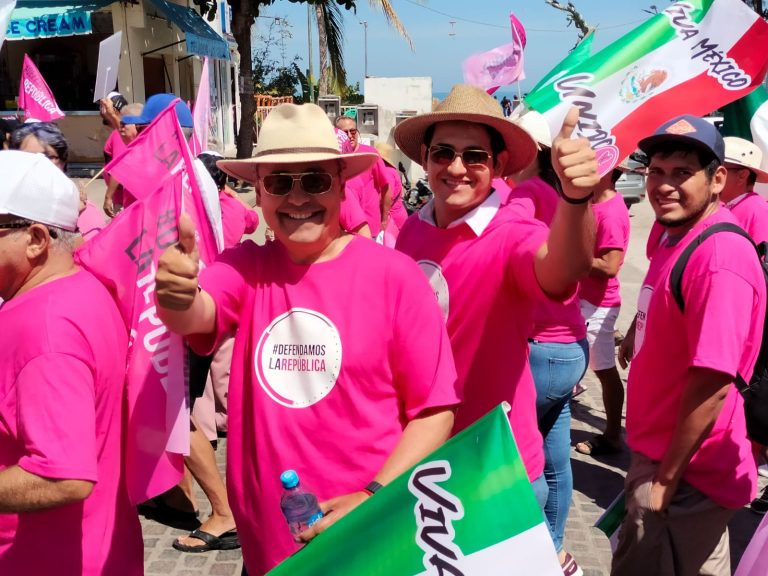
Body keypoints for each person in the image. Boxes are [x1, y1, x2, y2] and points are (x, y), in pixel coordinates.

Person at [154, 102, 459, 574]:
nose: (297, 198)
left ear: (341, 186)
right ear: (260, 192)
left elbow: (435, 411)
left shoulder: (395, 277)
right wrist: (174, 296)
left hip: (369, 534)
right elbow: (198, 313)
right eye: (279, 182)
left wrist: (370, 497)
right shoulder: (244, 267)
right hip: (269, 546)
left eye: (314, 181)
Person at [393, 84, 597, 528]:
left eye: (475, 157)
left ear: (499, 165)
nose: (457, 168)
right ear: (424, 157)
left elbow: (562, 271)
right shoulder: (413, 228)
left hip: (493, 467)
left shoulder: (512, 230)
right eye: (443, 153)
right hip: (425, 460)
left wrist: (576, 199)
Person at [612, 115, 765, 576]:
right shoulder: (680, 235)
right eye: (657, 171)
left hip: (686, 471)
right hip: (663, 454)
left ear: (718, 178)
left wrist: (666, 479)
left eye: (682, 173)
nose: (664, 185)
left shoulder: (719, 257)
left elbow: (714, 381)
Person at [0, 150, 143, 575]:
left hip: (45, 559)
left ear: (37, 239)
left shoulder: (44, 330)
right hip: (95, 547)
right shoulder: (80, 286)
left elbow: (65, 475)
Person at [506, 110, 589, 576]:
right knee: (555, 459)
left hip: (540, 348)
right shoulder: (556, 195)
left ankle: (534, 555)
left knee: (521, 465)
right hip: (570, 345)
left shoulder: (526, 196)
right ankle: (555, 549)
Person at [573, 168, 630, 457]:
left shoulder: (609, 212)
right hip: (584, 300)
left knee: (604, 370)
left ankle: (611, 436)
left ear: (609, 173)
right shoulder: (592, 202)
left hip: (598, 305)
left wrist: (573, 254)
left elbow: (609, 266)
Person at [10, 122, 106, 242]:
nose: (39, 164)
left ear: (63, 162)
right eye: (29, 157)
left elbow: (94, 252)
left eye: (48, 157)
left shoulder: (83, 212)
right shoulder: (6, 211)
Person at [335, 115, 391, 237]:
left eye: (353, 131)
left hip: (370, 229)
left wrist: (384, 219)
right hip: (343, 231)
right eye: (345, 133)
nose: (350, 135)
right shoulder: (334, 160)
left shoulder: (370, 154)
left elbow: (386, 186)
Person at [720, 136, 768, 244]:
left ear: (742, 175)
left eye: (721, 170)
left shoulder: (759, 211)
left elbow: (763, 258)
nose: (713, 175)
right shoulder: (721, 206)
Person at [103, 102, 144, 218]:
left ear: (137, 125)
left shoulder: (143, 150)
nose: (120, 128)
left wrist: (108, 197)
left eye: (124, 124)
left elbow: (119, 167)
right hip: (128, 207)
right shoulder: (134, 144)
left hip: (137, 212)